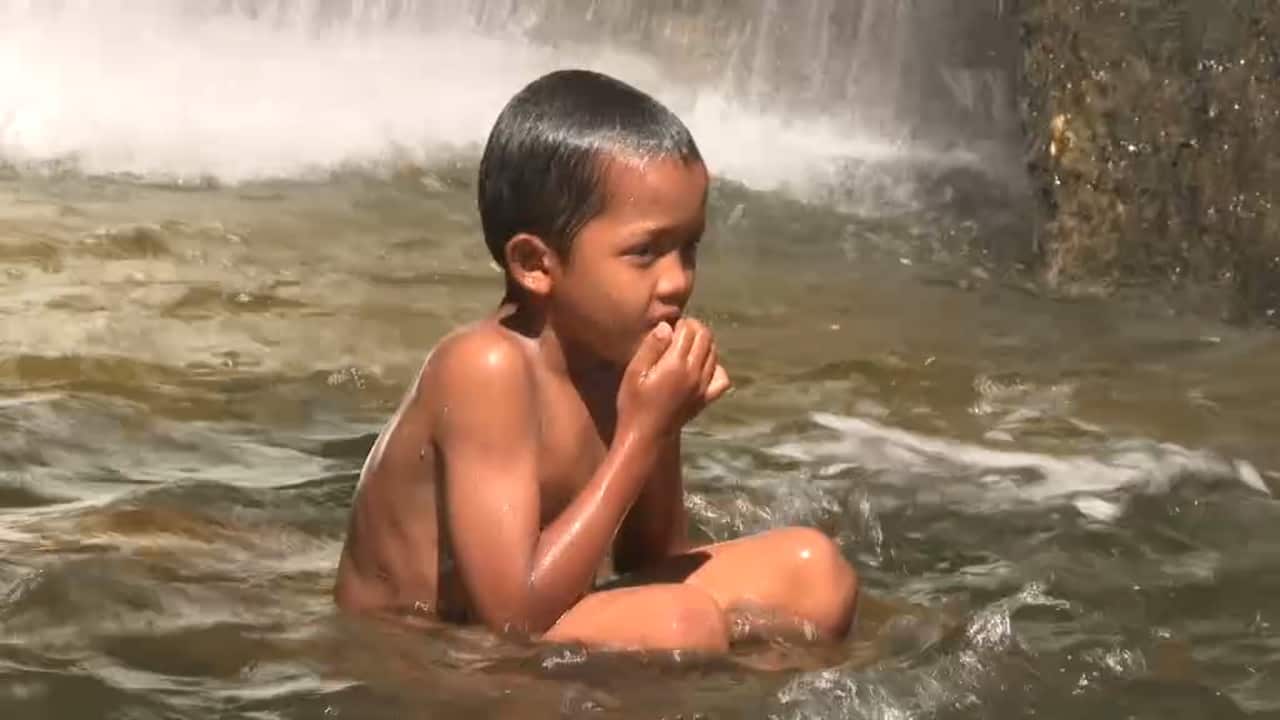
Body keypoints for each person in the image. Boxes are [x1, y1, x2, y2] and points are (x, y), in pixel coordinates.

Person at [334, 69, 858, 652]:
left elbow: (648, 559)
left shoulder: (618, 351)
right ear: (536, 263)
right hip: (432, 657)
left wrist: (661, 426)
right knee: (681, 625)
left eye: (689, 248)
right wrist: (642, 434)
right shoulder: (486, 368)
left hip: (525, 633)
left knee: (815, 572)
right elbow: (514, 618)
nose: (678, 281)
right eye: (645, 252)